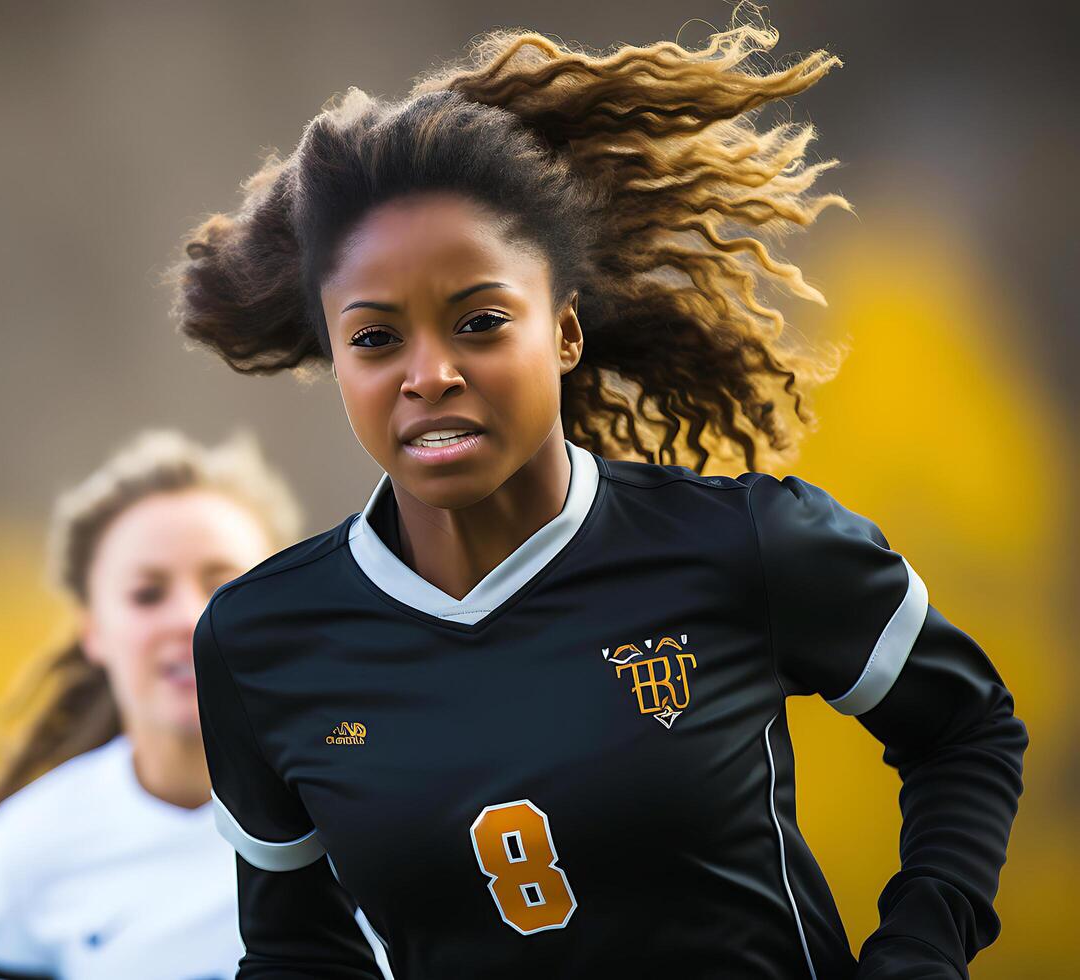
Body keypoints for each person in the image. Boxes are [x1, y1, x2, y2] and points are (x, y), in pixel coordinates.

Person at [168, 12, 1028, 979]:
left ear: (565, 334)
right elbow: (295, 952)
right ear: (333, 358)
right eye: (374, 339)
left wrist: (922, 948)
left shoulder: (747, 543)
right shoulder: (259, 643)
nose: (430, 374)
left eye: (481, 321)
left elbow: (967, 728)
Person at [0, 429, 392, 979]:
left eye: (224, 585)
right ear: (93, 630)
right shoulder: (20, 855)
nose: (190, 619)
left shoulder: (388, 802)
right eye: (147, 594)